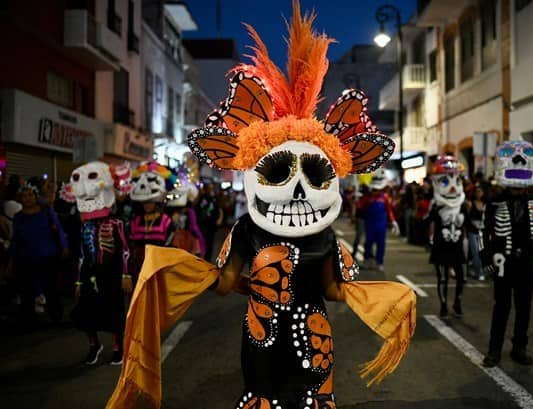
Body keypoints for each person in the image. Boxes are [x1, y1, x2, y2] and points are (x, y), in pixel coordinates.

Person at [106, 5, 416, 407]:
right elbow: (223, 284)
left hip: (313, 337)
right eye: (279, 173)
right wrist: (181, 267)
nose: (300, 191)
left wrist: (384, 298)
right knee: (262, 399)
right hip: (260, 337)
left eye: (316, 176)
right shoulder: (247, 230)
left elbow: (333, 290)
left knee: (311, 401)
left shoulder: (322, 234)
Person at [482, 140, 533, 367]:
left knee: (524, 308)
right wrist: (486, 257)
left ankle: (519, 347)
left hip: (526, 263)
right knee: (501, 307)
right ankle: (494, 350)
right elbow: (484, 231)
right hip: (503, 263)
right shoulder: (494, 203)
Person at [68, 162, 132, 365]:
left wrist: (125, 275)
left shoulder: (117, 223)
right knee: (85, 313)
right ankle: (94, 345)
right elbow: (82, 254)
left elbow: (125, 251)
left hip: (111, 274)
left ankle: (117, 348)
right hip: (90, 273)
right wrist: (79, 281)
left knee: (113, 313)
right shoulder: (84, 226)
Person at [8, 183, 69, 327]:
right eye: (24, 196)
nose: (27, 198)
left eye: (30, 195)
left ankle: (56, 317)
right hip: (25, 258)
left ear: (36, 197)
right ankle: (28, 319)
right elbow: (15, 240)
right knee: (26, 290)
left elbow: (59, 229)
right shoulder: (18, 217)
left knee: (51, 288)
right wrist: (11, 261)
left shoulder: (47, 213)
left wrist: (64, 247)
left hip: (48, 255)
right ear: (20, 199)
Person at [427, 156, 467, 317]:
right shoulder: (435, 206)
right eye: (445, 182)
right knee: (442, 278)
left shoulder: (463, 205)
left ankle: (457, 301)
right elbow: (428, 221)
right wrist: (430, 237)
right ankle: (443, 305)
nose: (452, 189)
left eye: (456, 182)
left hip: (456, 246)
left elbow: (469, 224)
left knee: (461, 277)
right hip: (441, 246)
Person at [128, 162, 174, 280]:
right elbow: (130, 245)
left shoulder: (166, 221)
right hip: (138, 268)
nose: (146, 206)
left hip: (158, 267)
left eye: (150, 202)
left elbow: (170, 245)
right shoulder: (136, 221)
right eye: (144, 203)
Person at [358, 169, 400, 271]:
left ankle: (379, 262)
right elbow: (360, 207)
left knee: (381, 244)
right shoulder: (368, 197)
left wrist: (393, 221)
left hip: (381, 225)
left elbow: (389, 210)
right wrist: (359, 198)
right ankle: (367, 260)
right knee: (368, 243)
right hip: (370, 224)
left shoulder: (384, 197)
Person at [466, 185, 486, 280]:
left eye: (480, 191)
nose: (479, 193)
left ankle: (473, 269)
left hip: (482, 232)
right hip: (472, 231)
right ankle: (479, 272)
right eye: (477, 191)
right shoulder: (470, 204)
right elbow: (467, 218)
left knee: (481, 252)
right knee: (475, 252)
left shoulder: (485, 204)